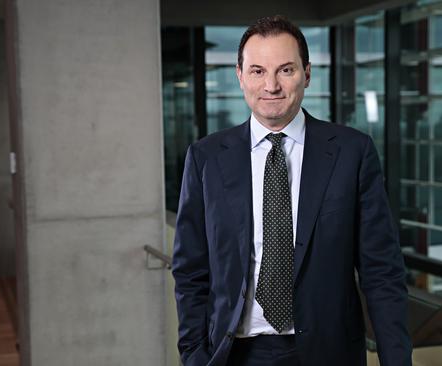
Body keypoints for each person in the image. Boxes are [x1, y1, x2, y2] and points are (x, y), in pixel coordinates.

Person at [172, 15, 412, 366]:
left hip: (329, 353)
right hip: (234, 354)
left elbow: (381, 271)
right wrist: (194, 356)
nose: (271, 85)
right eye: (257, 71)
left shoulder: (352, 152)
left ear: (307, 74)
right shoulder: (205, 158)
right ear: (240, 76)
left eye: (285, 70)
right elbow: (190, 269)